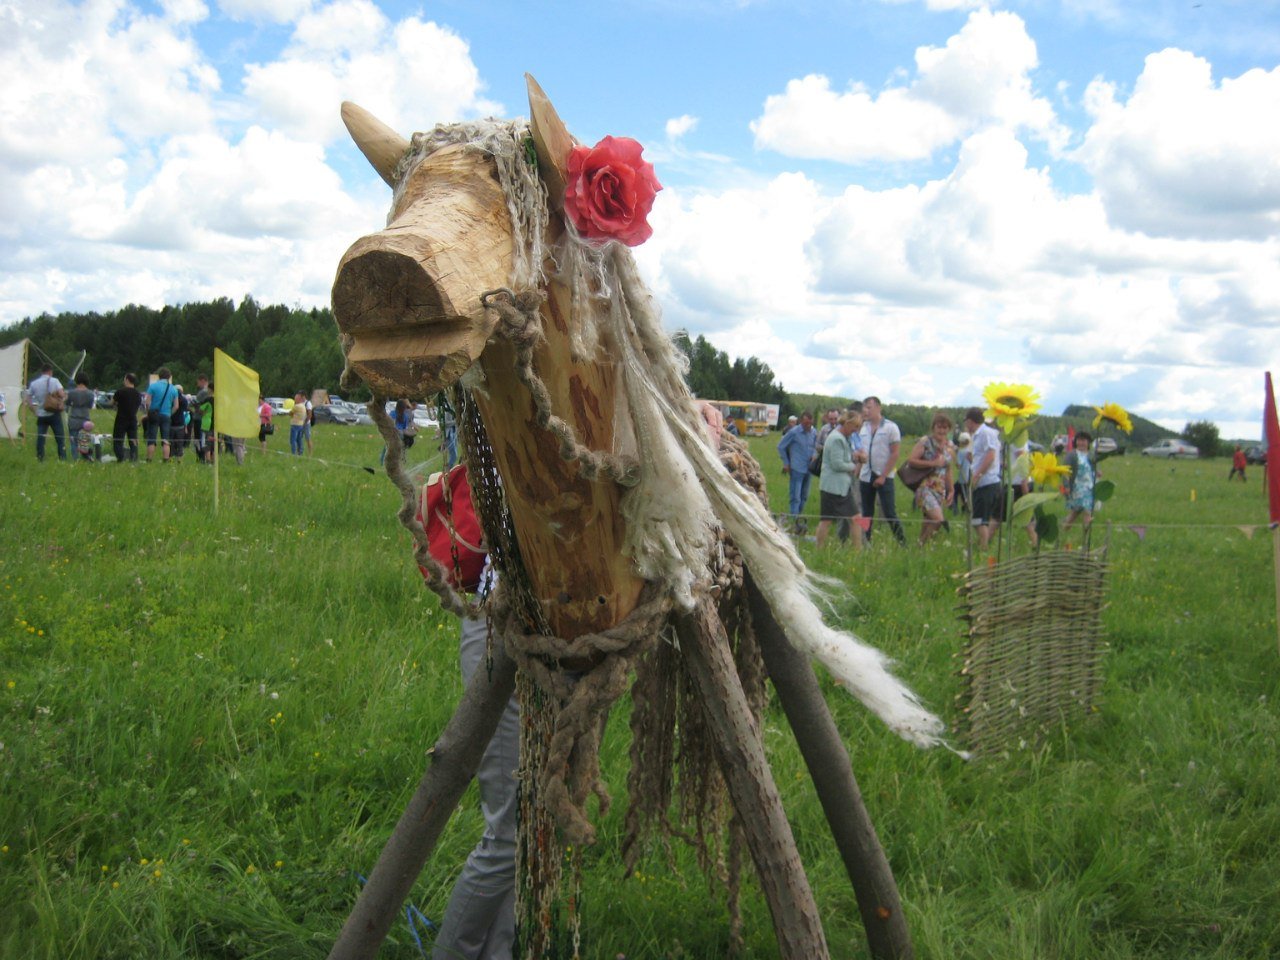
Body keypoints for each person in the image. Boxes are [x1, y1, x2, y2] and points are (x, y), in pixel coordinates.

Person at [857, 396, 906, 545]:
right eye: (864, 408)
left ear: (879, 408)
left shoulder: (891, 427)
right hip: (865, 476)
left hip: (884, 476)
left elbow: (895, 453)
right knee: (866, 512)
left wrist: (883, 476)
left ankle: (902, 542)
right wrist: (857, 472)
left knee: (889, 512)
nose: (866, 411)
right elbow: (860, 451)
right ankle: (866, 541)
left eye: (869, 407)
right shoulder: (862, 428)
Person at [815, 412, 863, 549]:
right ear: (847, 423)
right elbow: (837, 464)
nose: (856, 430)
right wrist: (854, 466)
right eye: (855, 426)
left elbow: (845, 458)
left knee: (854, 518)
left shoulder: (843, 438)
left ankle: (857, 551)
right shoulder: (837, 439)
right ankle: (819, 548)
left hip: (840, 487)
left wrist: (856, 457)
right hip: (833, 488)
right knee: (827, 520)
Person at [904, 413, 954, 546]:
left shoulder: (950, 446)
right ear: (933, 428)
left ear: (949, 429)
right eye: (939, 427)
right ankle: (921, 544)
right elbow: (911, 460)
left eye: (945, 428)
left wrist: (951, 490)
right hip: (925, 486)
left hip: (940, 488)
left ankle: (919, 551)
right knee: (938, 520)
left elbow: (948, 470)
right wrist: (932, 463)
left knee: (928, 520)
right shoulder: (925, 442)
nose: (942, 431)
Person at [964, 407, 1002, 549]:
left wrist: (977, 474)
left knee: (979, 520)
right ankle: (983, 544)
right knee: (978, 518)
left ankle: (984, 547)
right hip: (981, 482)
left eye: (966, 422)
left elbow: (991, 456)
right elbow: (974, 456)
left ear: (970, 421)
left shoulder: (986, 433)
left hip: (987, 482)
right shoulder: (976, 435)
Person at [777, 410, 817, 533]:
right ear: (801, 421)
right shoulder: (794, 432)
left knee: (804, 495)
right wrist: (786, 463)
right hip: (796, 468)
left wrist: (815, 455)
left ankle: (799, 516)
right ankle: (794, 519)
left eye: (810, 423)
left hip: (809, 468)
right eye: (805, 423)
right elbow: (781, 446)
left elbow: (817, 446)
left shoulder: (814, 432)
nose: (807, 426)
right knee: (795, 495)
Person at [25, 363, 67, 461]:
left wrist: (32, 408)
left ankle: (40, 457)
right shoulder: (55, 381)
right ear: (50, 371)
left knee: (41, 437)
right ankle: (62, 458)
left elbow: (28, 396)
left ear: (42, 372)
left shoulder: (34, 383)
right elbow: (61, 394)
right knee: (60, 438)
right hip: (54, 413)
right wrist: (63, 399)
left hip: (41, 414)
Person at [1061, 432, 1097, 538]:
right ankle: (1084, 536)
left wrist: (1097, 472)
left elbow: (1092, 468)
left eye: (1084, 440)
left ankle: (1067, 531)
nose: (1081, 443)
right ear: (1075, 442)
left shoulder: (1090, 455)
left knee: (1078, 512)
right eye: (1079, 440)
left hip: (1089, 487)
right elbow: (1065, 470)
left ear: (1088, 442)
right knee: (1083, 511)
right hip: (1077, 488)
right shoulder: (1072, 455)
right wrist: (1066, 486)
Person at [144, 367, 178, 462]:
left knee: (152, 438)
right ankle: (166, 459)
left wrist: (149, 412)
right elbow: (176, 406)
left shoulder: (153, 386)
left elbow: (147, 402)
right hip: (166, 415)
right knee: (165, 439)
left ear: (159, 376)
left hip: (154, 414)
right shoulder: (173, 389)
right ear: (169, 377)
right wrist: (169, 413)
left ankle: (149, 459)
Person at [111, 373, 143, 462]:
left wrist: (117, 405)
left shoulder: (121, 391)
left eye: (124, 379)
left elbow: (112, 402)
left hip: (121, 418)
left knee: (118, 439)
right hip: (133, 419)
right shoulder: (138, 394)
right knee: (133, 439)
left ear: (127, 380)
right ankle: (134, 457)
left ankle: (120, 457)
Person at [66, 375, 95, 443]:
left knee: (73, 443)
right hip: (85, 420)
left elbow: (67, 403)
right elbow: (90, 406)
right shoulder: (91, 394)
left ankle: (75, 454)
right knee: (84, 444)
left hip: (73, 420)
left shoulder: (71, 393)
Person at [952, 431, 972, 515]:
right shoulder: (969, 451)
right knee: (964, 494)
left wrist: (954, 458)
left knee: (955, 492)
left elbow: (958, 465)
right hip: (969, 476)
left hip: (963, 477)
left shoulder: (961, 451)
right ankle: (964, 510)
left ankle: (956, 509)